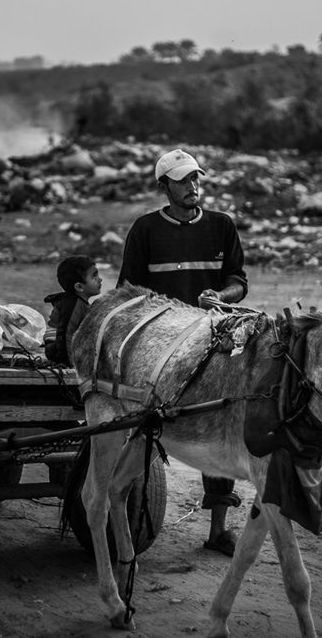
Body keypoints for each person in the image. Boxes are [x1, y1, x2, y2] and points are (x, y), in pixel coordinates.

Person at [116, 148, 248, 557]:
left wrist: (222, 296)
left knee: (220, 425)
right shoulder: (144, 231)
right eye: (183, 180)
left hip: (213, 340)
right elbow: (129, 292)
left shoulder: (222, 227)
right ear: (163, 187)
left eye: (196, 178)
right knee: (148, 423)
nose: (193, 187)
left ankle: (218, 529)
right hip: (161, 347)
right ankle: (130, 514)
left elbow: (238, 281)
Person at [43, 255, 103, 366]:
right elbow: (65, 333)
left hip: (68, 347)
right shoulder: (72, 304)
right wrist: (71, 363)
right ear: (79, 287)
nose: (100, 279)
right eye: (94, 276)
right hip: (58, 350)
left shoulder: (80, 302)